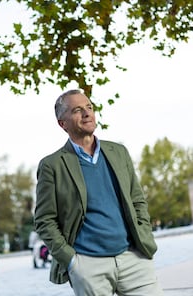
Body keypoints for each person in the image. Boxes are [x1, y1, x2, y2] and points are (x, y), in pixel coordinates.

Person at [34, 89, 164, 296]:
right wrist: (71, 261)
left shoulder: (118, 152)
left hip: (133, 258)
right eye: (77, 110)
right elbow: (44, 220)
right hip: (88, 266)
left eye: (89, 107)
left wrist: (144, 234)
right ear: (63, 123)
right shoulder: (52, 165)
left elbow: (137, 200)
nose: (87, 113)